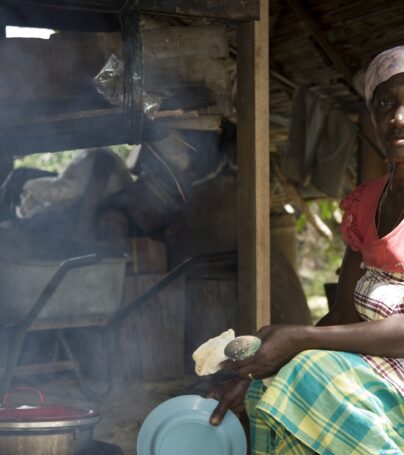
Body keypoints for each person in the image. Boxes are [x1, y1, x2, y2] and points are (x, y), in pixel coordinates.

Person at [208, 46, 404, 454]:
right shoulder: (367, 202)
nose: (398, 117)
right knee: (282, 383)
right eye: (386, 104)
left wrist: (300, 339)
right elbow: (344, 316)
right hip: (374, 369)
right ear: (373, 115)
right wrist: (260, 373)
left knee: (310, 369)